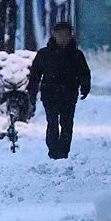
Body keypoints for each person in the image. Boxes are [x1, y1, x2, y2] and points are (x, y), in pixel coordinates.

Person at [27, 22, 91, 159]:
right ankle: (53, 150)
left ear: (70, 36)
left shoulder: (76, 55)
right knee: (52, 123)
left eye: (66, 35)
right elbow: (35, 75)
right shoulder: (44, 54)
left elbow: (84, 73)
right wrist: (32, 92)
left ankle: (63, 151)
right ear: (54, 35)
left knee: (67, 124)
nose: (62, 38)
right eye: (59, 35)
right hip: (50, 94)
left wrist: (85, 86)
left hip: (69, 94)